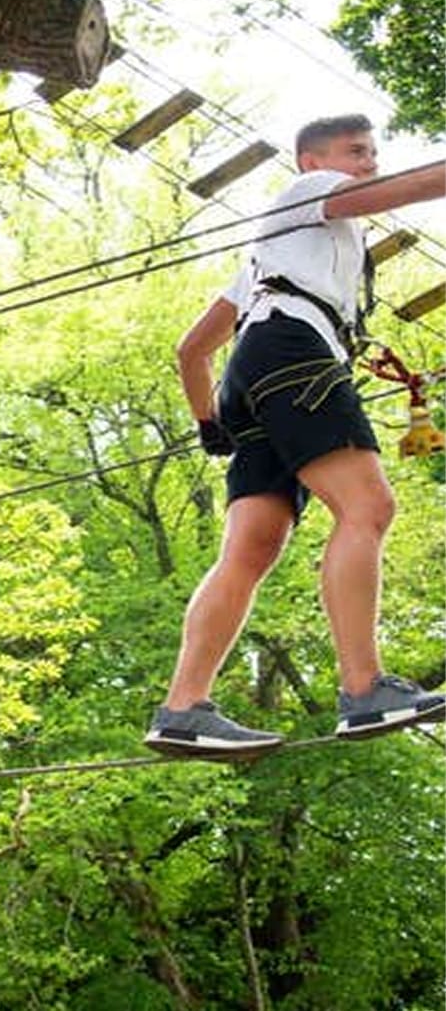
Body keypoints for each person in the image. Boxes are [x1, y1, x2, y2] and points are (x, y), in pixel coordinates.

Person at [146, 116, 446, 759]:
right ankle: (364, 687)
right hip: (293, 354)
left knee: (251, 549)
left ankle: (181, 708)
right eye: (355, 152)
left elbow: (193, 350)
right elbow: (406, 190)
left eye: (372, 153)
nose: (367, 163)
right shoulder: (306, 193)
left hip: (252, 370)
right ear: (314, 163)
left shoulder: (270, 258)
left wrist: (211, 424)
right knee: (368, 507)